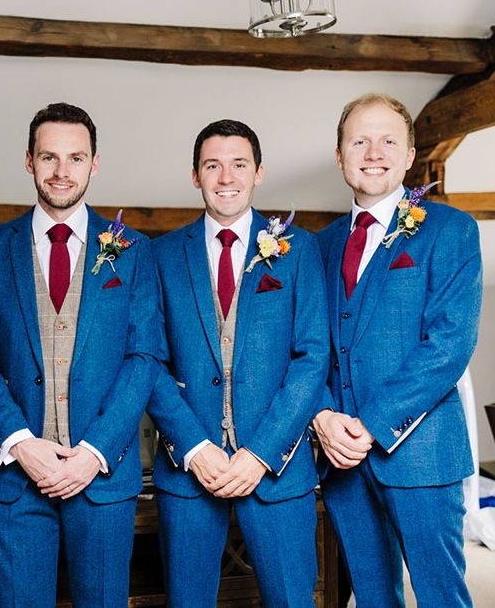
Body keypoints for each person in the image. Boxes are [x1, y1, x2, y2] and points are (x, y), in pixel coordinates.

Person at [0, 102, 161, 607]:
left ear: (94, 163)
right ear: (29, 160)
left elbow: (142, 359)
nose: (61, 171)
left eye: (75, 158)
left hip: (100, 476)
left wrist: (94, 452)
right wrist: (21, 441)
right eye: (49, 157)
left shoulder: (132, 250)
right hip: (16, 477)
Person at [146, 119, 328, 607]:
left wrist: (261, 452)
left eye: (238, 165)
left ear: (259, 173)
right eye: (212, 165)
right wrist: (195, 447)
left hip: (277, 470)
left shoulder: (300, 250)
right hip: (189, 470)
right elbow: (149, 362)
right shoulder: (160, 255)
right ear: (195, 176)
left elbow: (312, 359)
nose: (226, 177)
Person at [312, 93, 482, 607]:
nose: (373, 151)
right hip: (341, 459)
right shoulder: (317, 247)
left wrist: (371, 424)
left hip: (422, 452)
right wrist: (322, 414)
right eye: (359, 141)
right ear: (339, 156)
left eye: (388, 140)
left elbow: (449, 345)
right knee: (371, 596)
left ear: (409, 155)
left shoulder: (451, 230)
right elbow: (307, 348)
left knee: (440, 596)